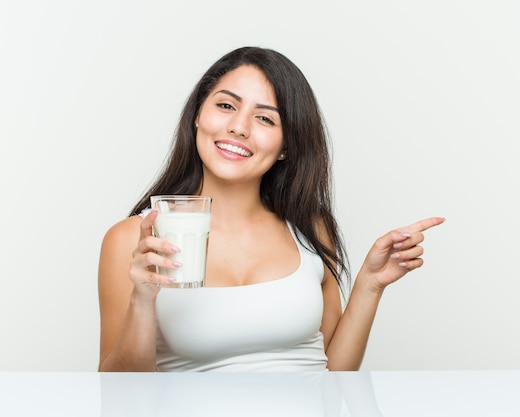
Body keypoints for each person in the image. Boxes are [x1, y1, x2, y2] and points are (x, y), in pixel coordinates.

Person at [97, 46, 445, 372]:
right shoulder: (132, 239)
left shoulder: (310, 228)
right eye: (226, 106)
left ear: (285, 148)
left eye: (265, 119)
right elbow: (119, 395)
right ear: (197, 116)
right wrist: (142, 299)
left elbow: (336, 376)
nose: (238, 127)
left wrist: (370, 283)